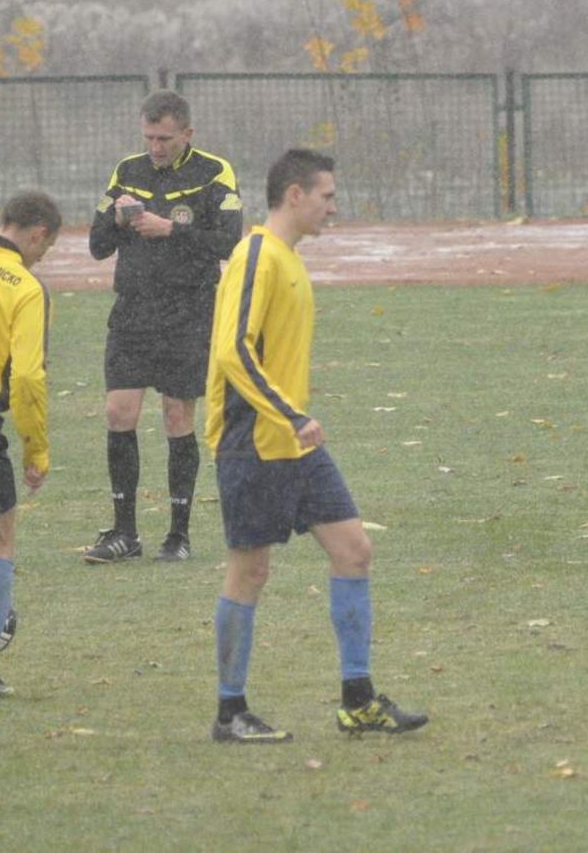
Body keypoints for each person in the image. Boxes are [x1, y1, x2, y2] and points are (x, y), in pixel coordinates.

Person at [205, 149, 426, 741]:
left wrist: (296, 421)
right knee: (249, 570)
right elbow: (233, 350)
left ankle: (358, 700)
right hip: (254, 440)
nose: (334, 206)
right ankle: (231, 712)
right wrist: (288, 412)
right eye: (327, 195)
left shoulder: (289, 259)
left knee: (353, 550)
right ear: (295, 195)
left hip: (297, 444)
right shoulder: (256, 254)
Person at [87, 90, 242, 564]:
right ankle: (123, 533)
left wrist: (170, 229)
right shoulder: (126, 171)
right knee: (119, 413)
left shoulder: (215, 173)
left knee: (177, 417)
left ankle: (178, 535)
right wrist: (117, 220)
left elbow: (229, 242)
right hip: (133, 312)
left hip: (188, 313)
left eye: (165, 138)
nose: (155, 147)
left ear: (187, 134)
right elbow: (96, 246)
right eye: (150, 137)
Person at [0, 193, 61, 698]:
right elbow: (28, 377)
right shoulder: (25, 287)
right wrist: (37, 449)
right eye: (45, 247)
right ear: (36, 232)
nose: (42, 256)